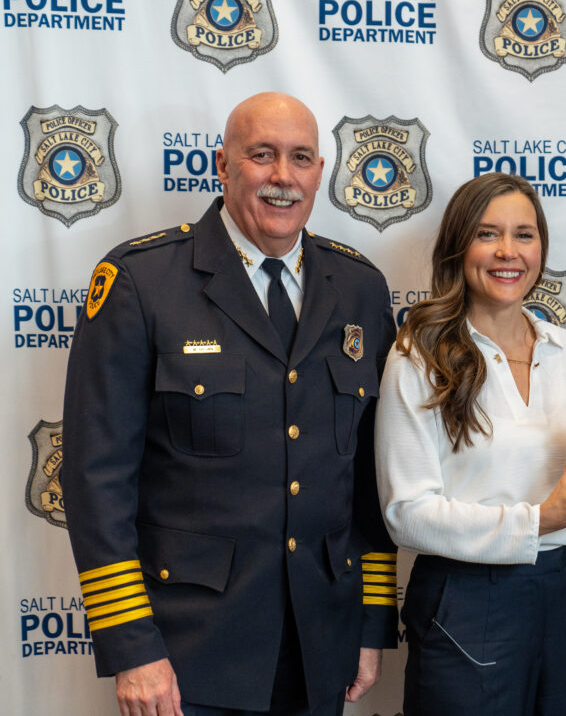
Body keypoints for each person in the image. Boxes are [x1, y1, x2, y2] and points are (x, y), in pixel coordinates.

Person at [62, 92, 398, 716]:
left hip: (320, 639)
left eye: (300, 157)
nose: (282, 176)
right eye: (262, 155)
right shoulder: (143, 281)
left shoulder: (359, 288)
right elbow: (95, 480)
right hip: (190, 651)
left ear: (320, 173)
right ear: (222, 165)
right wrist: (132, 645)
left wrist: (371, 621)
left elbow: (369, 479)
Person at [374, 173, 566, 716]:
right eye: (488, 234)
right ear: (458, 246)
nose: (508, 252)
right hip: (468, 597)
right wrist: (539, 520)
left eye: (524, 234)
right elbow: (405, 514)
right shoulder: (417, 354)